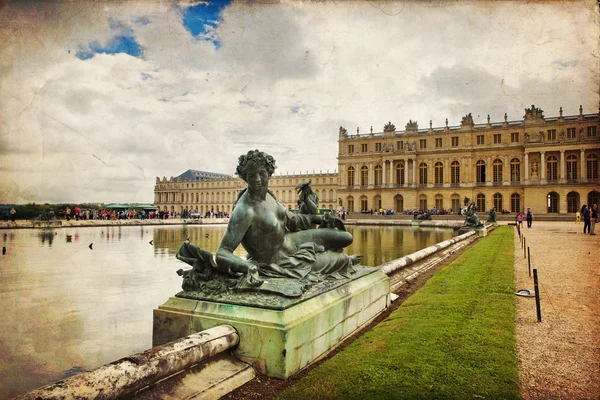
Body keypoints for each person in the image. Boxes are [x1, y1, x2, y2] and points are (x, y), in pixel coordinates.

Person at [215, 150, 361, 286]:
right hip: (280, 261)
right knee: (340, 259)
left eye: (262, 173)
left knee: (346, 237)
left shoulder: (269, 196)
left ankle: (329, 257)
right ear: (245, 177)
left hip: (292, 240)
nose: (258, 180)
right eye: (252, 175)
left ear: (269, 173)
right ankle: (343, 261)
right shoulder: (244, 210)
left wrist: (320, 219)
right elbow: (222, 252)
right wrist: (248, 267)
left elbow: (291, 220)